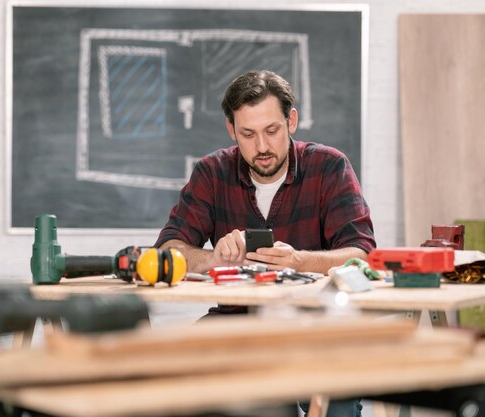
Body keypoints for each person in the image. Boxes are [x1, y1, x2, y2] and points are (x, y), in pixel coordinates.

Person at [155, 70, 375, 417]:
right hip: (238, 326)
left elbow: (360, 255)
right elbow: (168, 252)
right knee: (174, 374)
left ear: (291, 121)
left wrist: (300, 261)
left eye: (272, 131)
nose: (261, 147)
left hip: (316, 326)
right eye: (248, 134)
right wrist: (214, 259)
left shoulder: (330, 167)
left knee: (340, 395)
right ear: (231, 130)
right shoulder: (212, 173)